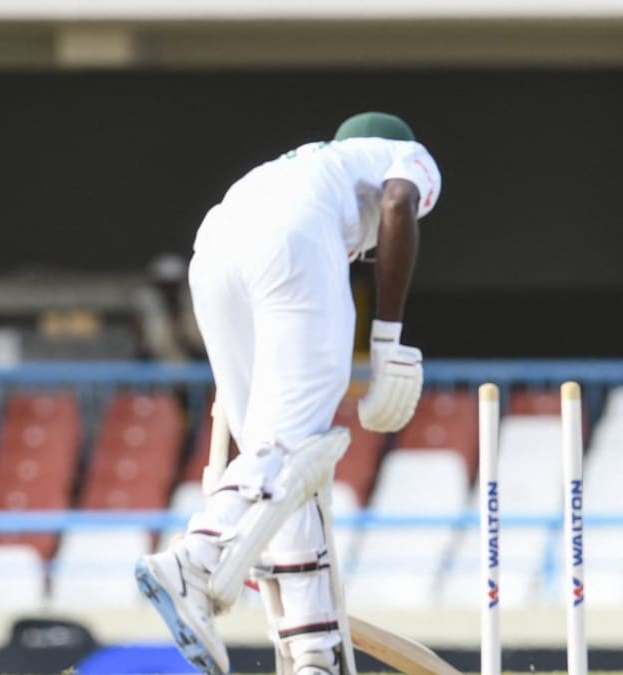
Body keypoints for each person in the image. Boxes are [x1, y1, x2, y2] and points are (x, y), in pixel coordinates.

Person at [136, 112, 440, 675]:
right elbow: (399, 201)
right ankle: (194, 561)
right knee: (298, 442)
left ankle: (311, 651)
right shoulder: (405, 156)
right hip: (291, 238)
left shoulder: (307, 164)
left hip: (215, 246)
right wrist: (388, 342)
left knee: (273, 458)